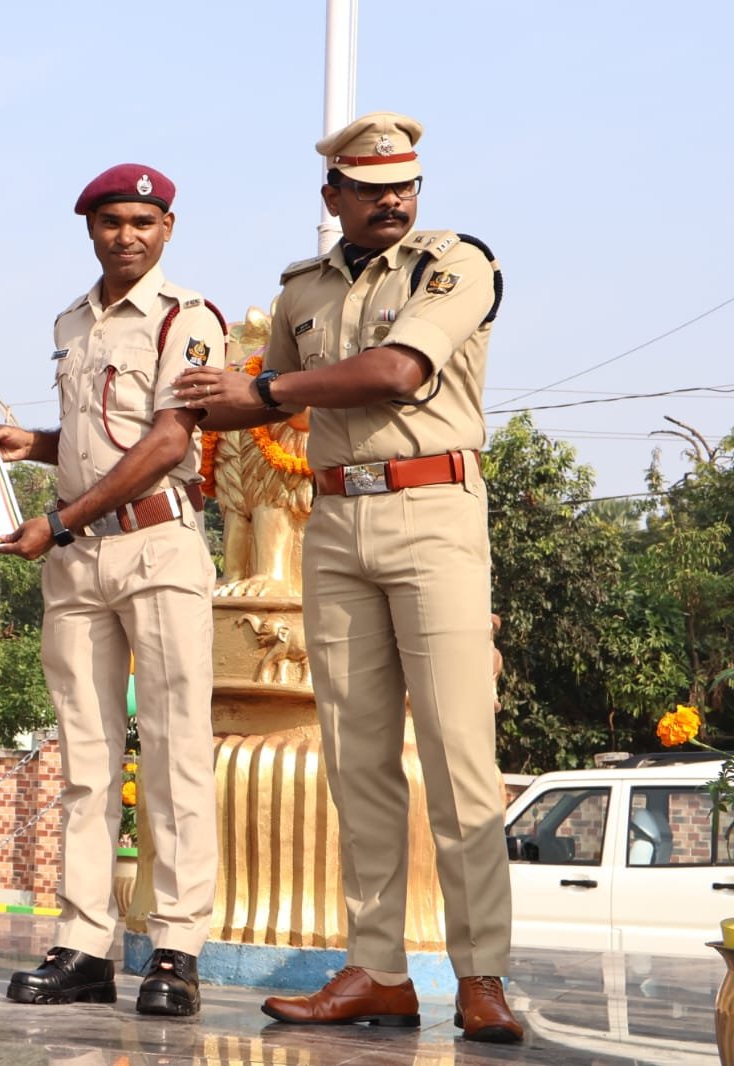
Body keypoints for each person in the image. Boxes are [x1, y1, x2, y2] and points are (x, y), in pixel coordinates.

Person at [174, 113, 522, 1043]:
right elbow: (256, 407)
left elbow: (397, 369)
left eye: (403, 184)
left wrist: (261, 391)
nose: (391, 200)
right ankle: (378, 971)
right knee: (355, 757)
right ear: (333, 195)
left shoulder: (455, 264)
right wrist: (179, 401)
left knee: (457, 754)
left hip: (434, 511)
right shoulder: (301, 290)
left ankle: (481, 976)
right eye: (369, 189)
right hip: (333, 521)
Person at [0, 165, 223, 1017]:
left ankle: (176, 949)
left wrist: (59, 519)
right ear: (89, 229)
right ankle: (84, 946)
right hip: (79, 557)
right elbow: (99, 438)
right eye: (112, 221)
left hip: (156, 545)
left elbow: (166, 443)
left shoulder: (186, 318)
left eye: (143, 221)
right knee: (85, 763)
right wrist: (36, 443)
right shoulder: (71, 321)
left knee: (174, 753)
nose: (127, 235)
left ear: (168, 229)